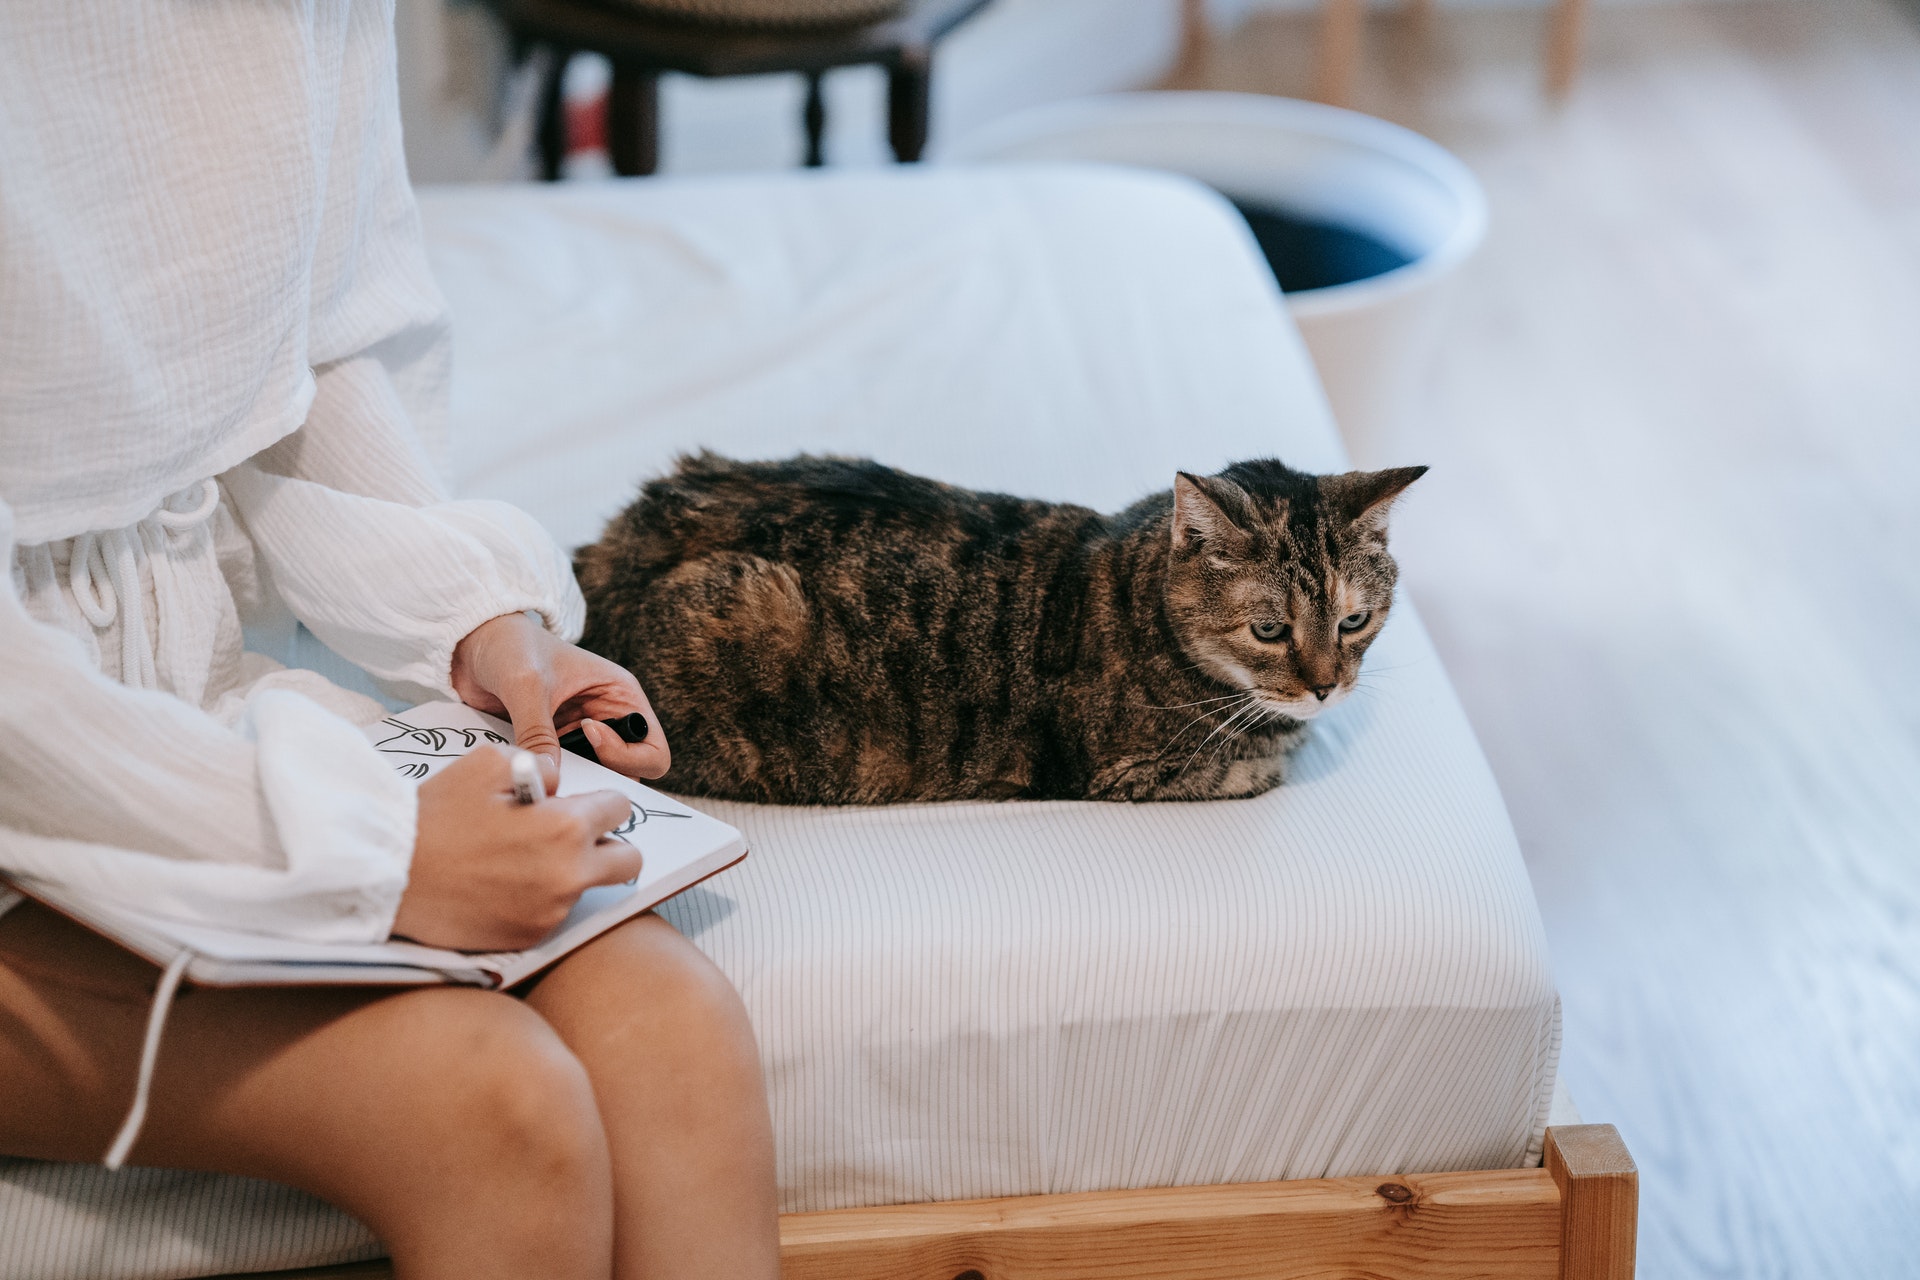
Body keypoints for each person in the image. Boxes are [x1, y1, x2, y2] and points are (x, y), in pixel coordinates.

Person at [0, 4, 780, 1278]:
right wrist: (371, 855)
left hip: (180, 712)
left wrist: (475, 614)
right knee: (488, 1107)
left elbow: (315, 330)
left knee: (669, 1028)